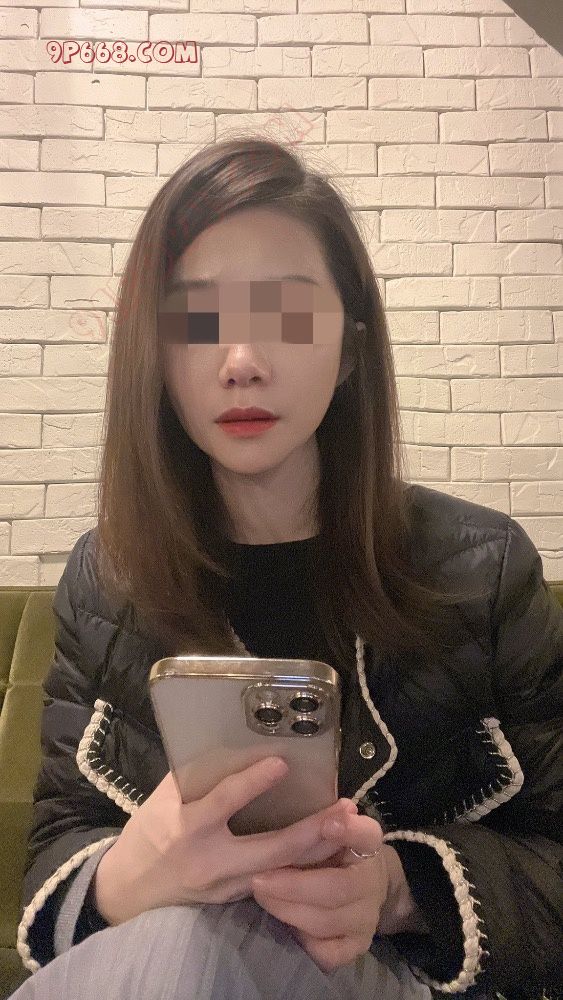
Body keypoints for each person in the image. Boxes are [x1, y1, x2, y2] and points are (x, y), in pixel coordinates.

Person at [9, 138, 562, 1000]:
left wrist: (396, 891)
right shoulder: (106, 580)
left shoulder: (482, 571)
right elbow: (60, 839)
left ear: (349, 350)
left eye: (288, 315)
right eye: (196, 319)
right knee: (183, 947)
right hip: (160, 968)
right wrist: (129, 878)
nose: (240, 361)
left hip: (399, 980)